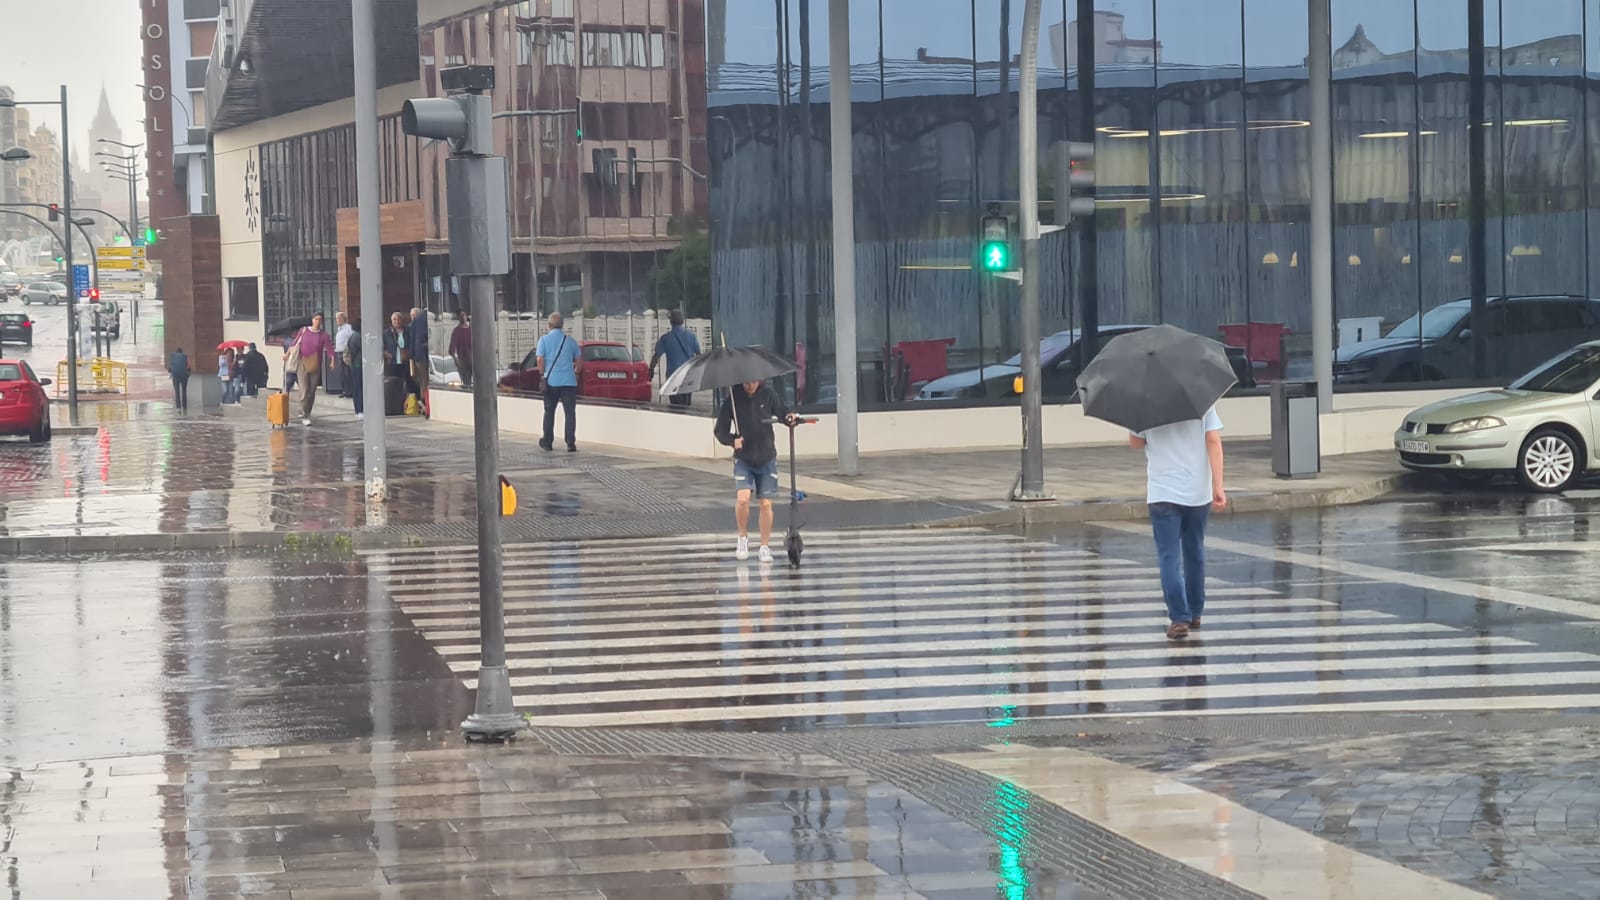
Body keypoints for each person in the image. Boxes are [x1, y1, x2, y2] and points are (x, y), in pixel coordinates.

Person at [1128, 407, 1227, 641]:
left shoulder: (1144, 403)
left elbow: (1135, 443)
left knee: (1168, 557)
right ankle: (1195, 611)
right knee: (1195, 552)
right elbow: (1213, 441)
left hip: (1163, 493)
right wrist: (1219, 486)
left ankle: (1179, 617)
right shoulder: (1202, 400)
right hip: (1197, 491)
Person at [714, 378, 798, 562]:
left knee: (766, 503)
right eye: (746, 382)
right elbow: (719, 431)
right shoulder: (733, 400)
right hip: (743, 458)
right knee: (743, 498)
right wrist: (732, 440)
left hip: (766, 457)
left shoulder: (769, 395)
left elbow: (784, 414)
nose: (750, 385)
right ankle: (742, 537)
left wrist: (790, 418)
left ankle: (764, 546)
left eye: (753, 381)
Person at [536, 312, 581, 452]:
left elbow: (540, 360)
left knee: (549, 412)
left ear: (549, 325)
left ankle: (548, 442)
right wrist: (576, 373)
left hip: (551, 382)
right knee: (570, 413)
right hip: (569, 382)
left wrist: (542, 374)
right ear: (562, 326)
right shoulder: (570, 341)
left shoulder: (543, 341)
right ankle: (570, 443)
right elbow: (579, 361)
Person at [290, 312, 336, 426]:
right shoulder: (304, 330)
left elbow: (330, 348)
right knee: (304, 390)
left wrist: (332, 360)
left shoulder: (323, 335)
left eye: (320, 319)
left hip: (315, 364)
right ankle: (304, 414)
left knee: (311, 391)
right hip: (302, 363)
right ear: (312, 320)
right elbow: (295, 343)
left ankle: (307, 411)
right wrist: (287, 354)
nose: (318, 321)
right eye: (316, 319)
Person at [650, 310, 702, 407]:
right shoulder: (691, 336)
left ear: (671, 322)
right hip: (688, 375)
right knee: (686, 403)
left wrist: (651, 369)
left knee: (675, 407)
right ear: (682, 321)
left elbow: (656, 356)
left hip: (673, 377)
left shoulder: (666, 338)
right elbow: (699, 355)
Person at [408, 306, 431, 416]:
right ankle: (427, 404)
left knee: (423, 380)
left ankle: (423, 402)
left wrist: (412, 356)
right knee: (430, 380)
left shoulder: (416, 319)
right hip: (428, 353)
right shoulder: (430, 317)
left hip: (418, 355)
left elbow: (412, 338)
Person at [345, 318, 365, 420]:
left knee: (357, 387)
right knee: (360, 387)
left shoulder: (352, 336)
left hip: (355, 364)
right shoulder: (359, 336)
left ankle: (358, 410)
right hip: (359, 364)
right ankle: (361, 409)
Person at [333, 311, 355, 398]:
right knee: (342, 373)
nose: (337, 320)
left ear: (344, 319)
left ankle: (349, 391)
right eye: (336, 318)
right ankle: (345, 390)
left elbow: (352, 339)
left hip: (346, 353)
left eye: (339, 318)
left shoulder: (348, 328)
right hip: (339, 352)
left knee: (347, 373)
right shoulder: (339, 330)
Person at [449, 312, 473, 389]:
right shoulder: (456, 331)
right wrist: (456, 359)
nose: (463, 318)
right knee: (466, 379)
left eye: (464, 316)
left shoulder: (471, 329)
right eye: (461, 317)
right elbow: (452, 347)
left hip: (472, 357)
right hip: (462, 358)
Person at [167, 346, 190, 413]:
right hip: (184, 375)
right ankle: (184, 406)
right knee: (184, 391)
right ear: (181, 352)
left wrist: (170, 371)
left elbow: (170, 367)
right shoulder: (185, 356)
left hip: (175, 376)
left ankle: (178, 407)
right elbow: (188, 366)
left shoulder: (173, 356)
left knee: (177, 391)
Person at [282, 333, 302, 398]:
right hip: (298, 368)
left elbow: (285, 356)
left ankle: (285, 399)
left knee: (287, 386)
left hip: (291, 367)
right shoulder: (301, 343)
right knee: (302, 386)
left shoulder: (289, 343)